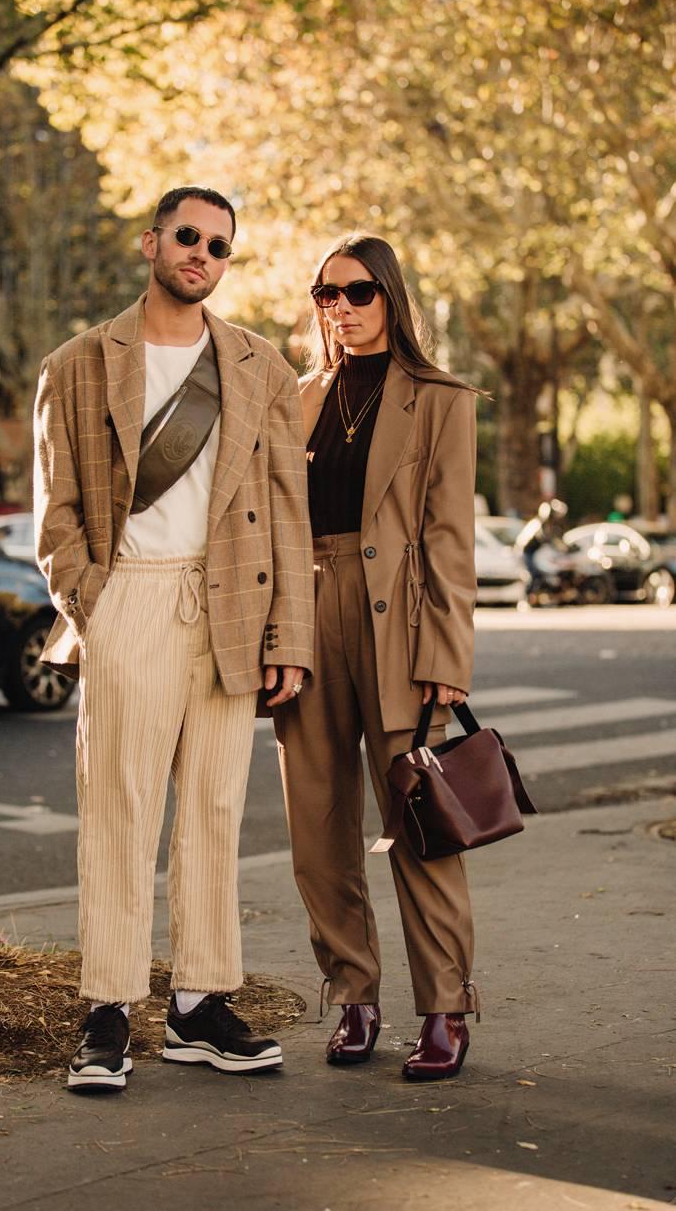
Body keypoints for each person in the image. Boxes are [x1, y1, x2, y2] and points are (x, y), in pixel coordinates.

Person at [33, 185, 314, 1091]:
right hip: (132, 601)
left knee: (215, 811)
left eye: (220, 245)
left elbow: (285, 513)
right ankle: (107, 1010)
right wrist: (92, 604)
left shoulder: (259, 365)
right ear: (152, 242)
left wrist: (290, 638)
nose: (203, 253)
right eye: (188, 236)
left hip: (232, 601)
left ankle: (199, 1004)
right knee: (120, 806)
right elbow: (58, 510)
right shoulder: (78, 363)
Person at [273, 233, 479, 1081]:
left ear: (390, 296)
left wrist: (447, 655)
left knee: (420, 822)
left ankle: (446, 1007)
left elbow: (450, 541)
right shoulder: (298, 397)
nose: (342, 308)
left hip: (398, 623)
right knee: (316, 826)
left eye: (358, 292)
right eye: (326, 294)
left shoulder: (440, 399)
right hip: (305, 615)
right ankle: (353, 995)